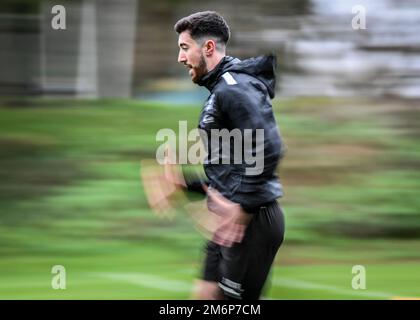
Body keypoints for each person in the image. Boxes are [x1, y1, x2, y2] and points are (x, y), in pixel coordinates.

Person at [144, 11, 286, 300]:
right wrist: (185, 183)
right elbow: (231, 171)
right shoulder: (220, 90)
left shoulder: (233, 89)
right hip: (230, 223)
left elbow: (268, 146)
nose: (180, 58)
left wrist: (243, 207)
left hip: (252, 223)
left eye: (185, 48)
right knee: (204, 297)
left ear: (208, 48)